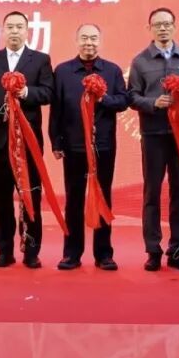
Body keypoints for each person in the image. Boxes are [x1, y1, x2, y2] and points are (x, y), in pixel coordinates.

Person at [0, 11, 53, 269]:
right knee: (1, 198)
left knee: (31, 196)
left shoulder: (40, 59)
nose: (15, 31)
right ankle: (4, 250)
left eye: (19, 27)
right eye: (10, 27)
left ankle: (31, 250)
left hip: (28, 143)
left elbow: (48, 93)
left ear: (27, 31)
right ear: (3, 30)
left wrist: (27, 92)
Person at [128, 8, 179, 272]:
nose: (163, 28)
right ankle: (153, 250)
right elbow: (132, 97)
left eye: (167, 24)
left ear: (174, 26)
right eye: (157, 24)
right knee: (152, 192)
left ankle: (177, 250)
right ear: (149, 28)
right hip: (153, 135)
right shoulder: (140, 61)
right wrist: (153, 102)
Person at [49, 23, 131, 271]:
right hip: (73, 146)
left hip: (103, 146)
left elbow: (123, 101)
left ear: (100, 41)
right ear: (77, 41)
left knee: (103, 197)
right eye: (84, 38)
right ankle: (71, 253)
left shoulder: (112, 71)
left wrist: (103, 98)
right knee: (73, 199)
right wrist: (56, 141)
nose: (89, 43)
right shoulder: (63, 71)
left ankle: (104, 254)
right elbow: (56, 109)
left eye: (94, 38)